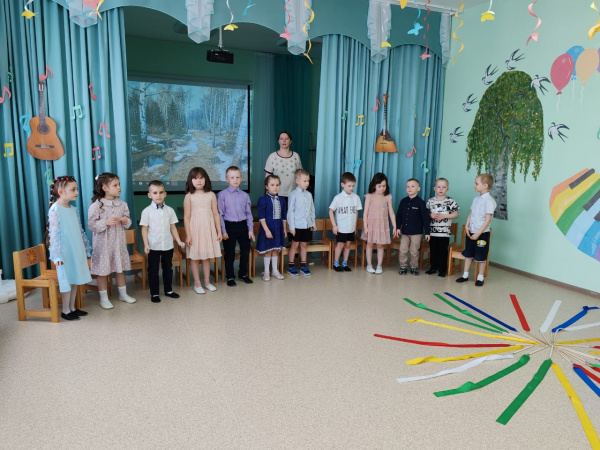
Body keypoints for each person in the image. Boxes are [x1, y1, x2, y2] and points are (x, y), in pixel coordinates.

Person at [88, 173, 136, 310]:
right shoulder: (97, 205)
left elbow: (128, 223)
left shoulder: (122, 204)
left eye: (119, 184)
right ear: (105, 188)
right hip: (103, 245)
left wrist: (126, 221)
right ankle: (103, 299)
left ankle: (123, 294)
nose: (119, 187)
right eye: (115, 185)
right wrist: (106, 222)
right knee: (102, 272)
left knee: (120, 270)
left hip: (118, 244)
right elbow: (91, 225)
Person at [47, 176, 92, 321]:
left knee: (74, 279)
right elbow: (54, 234)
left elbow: (78, 230)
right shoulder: (55, 209)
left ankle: (72, 308)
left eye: (77, 189)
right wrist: (57, 255)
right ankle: (65, 310)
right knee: (66, 281)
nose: (77, 192)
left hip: (75, 249)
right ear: (61, 192)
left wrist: (84, 248)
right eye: (73, 189)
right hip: (64, 253)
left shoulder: (73, 209)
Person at [140, 180, 185, 303]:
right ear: (149, 195)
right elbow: (144, 229)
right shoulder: (146, 211)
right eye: (155, 193)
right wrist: (146, 244)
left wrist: (179, 241)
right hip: (153, 246)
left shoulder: (170, 210)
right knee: (153, 270)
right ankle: (154, 293)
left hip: (168, 245)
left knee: (168, 268)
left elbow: (173, 227)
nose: (158, 195)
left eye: (161, 192)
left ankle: (168, 290)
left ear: (165, 194)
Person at [183, 167, 222, 294]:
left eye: (201, 178)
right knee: (194, 257)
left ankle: (207, 282)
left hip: (208, 229)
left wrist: (219, 231)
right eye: (195, 178)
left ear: (206, 179)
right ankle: (197, 284)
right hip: (195, 229)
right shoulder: (189, 196)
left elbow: (215, 214)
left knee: (206, 257)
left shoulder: (211, 195)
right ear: (190, 180)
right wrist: (188, 235)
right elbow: (186, 217)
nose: (198, 181)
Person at [456, 173, 496, 287]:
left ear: (485, 185)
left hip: (482, 234)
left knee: (481, 256)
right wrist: (467, 226)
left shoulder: (489, 201)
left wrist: (478, 233)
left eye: (476, 183)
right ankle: (465, 275)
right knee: (468, 254)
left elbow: (488, 220)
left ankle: (480, 277)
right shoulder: (476, 199)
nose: (474, 185)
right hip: (471, 232)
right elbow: (471, 213)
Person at [217, 166, 255, 286]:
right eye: (232, 177)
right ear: (227, 179)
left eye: (238, 177)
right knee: (230, 252)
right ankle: (230, 276)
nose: (235, 180)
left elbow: (248, 214)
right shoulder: (222, 195)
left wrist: (250, 229)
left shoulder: (245, 195)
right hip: (229, 226)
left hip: (243, 226)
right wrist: (223, 231)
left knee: (245, 250)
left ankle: (243, 273)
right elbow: (220, 214)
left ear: (241, 179)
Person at [362, 173, 396, 274]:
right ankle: (369, 265)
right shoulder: (369, 197)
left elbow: (391, 213)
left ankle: (379, 265)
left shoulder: (387, 197)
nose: (382, 188)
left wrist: (394, 226)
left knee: (380, 245)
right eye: (379, 186)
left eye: (384, 186)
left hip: (382, 225)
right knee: (370, 244)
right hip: (371, 225)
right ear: (374, 186)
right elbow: (365, 213)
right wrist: (366, 227)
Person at [425, 178, 459, 277]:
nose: (441, 189)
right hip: (432, 232)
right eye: (439, 187)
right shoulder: (430, 201)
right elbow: (425, 214)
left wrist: (444, 216)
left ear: (447, 189)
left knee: (443, 251)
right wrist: (430, 215)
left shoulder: (450, 201)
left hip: (444, 232)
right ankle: (433, 267)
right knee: (433, 250)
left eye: (444, 187)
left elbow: (456, 214)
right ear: (435, 188)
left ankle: (442, 270)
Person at [329, 172, 362, 272]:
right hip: (341, 228)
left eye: (353, 186)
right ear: (342, 184)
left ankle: (345, 263)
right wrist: (334, 226)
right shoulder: (338, 198)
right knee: (340, 245)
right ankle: (336, 263)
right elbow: (330, 211)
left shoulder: (356, 197)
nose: (351, 188)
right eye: (349, 186)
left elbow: (356, 212)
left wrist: (355, 227)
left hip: (350, 228)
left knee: (348, 245)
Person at [396, 178, 430, 275]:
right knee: (403, 250)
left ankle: (414, 267)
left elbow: (425, 219)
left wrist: (427, 232)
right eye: (407, 186)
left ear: (418, 188)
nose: (409, 188)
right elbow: (399, 216)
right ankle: (403, 266)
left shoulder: (421, 202)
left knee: (414, 251)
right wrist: (398, 228)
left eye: (412, 186)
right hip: (405, 232)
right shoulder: (403, 201)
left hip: (416, 232)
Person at [256, 175, 287, 281]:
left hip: (278, 228)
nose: (275, 187)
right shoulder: (262, 199)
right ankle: (266, 272)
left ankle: (275, 271)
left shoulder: (282, 200)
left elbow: (284, 217)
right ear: (266, 186)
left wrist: (284, 229)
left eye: (277, 185)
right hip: (267, 228)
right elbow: (261, 217)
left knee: (275, 250)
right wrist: (266, 230)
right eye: (272, 185)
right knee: (268, 251)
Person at [286, 169, 315, 276]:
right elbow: (290, 212)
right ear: (297, 181)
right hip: (297, 225)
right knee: (294, 245)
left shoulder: (309, 195)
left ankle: (303, 265)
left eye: (308, 181)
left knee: (303, 245)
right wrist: (292, 227)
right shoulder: (293, 195)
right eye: (305, 181)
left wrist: (313, 223)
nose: (307, 183)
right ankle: (291, 265)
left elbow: (312, 209)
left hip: (306, 225)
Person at [264, 131, 303, 203]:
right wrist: (267, 192)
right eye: (281, 139)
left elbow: (300, 175)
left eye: (287, 138)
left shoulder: (296, 156)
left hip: (293, 193)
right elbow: (268, 176)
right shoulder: (272, 156)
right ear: (278, 141)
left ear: (290, 141)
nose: (284, 141)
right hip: (276, 194)